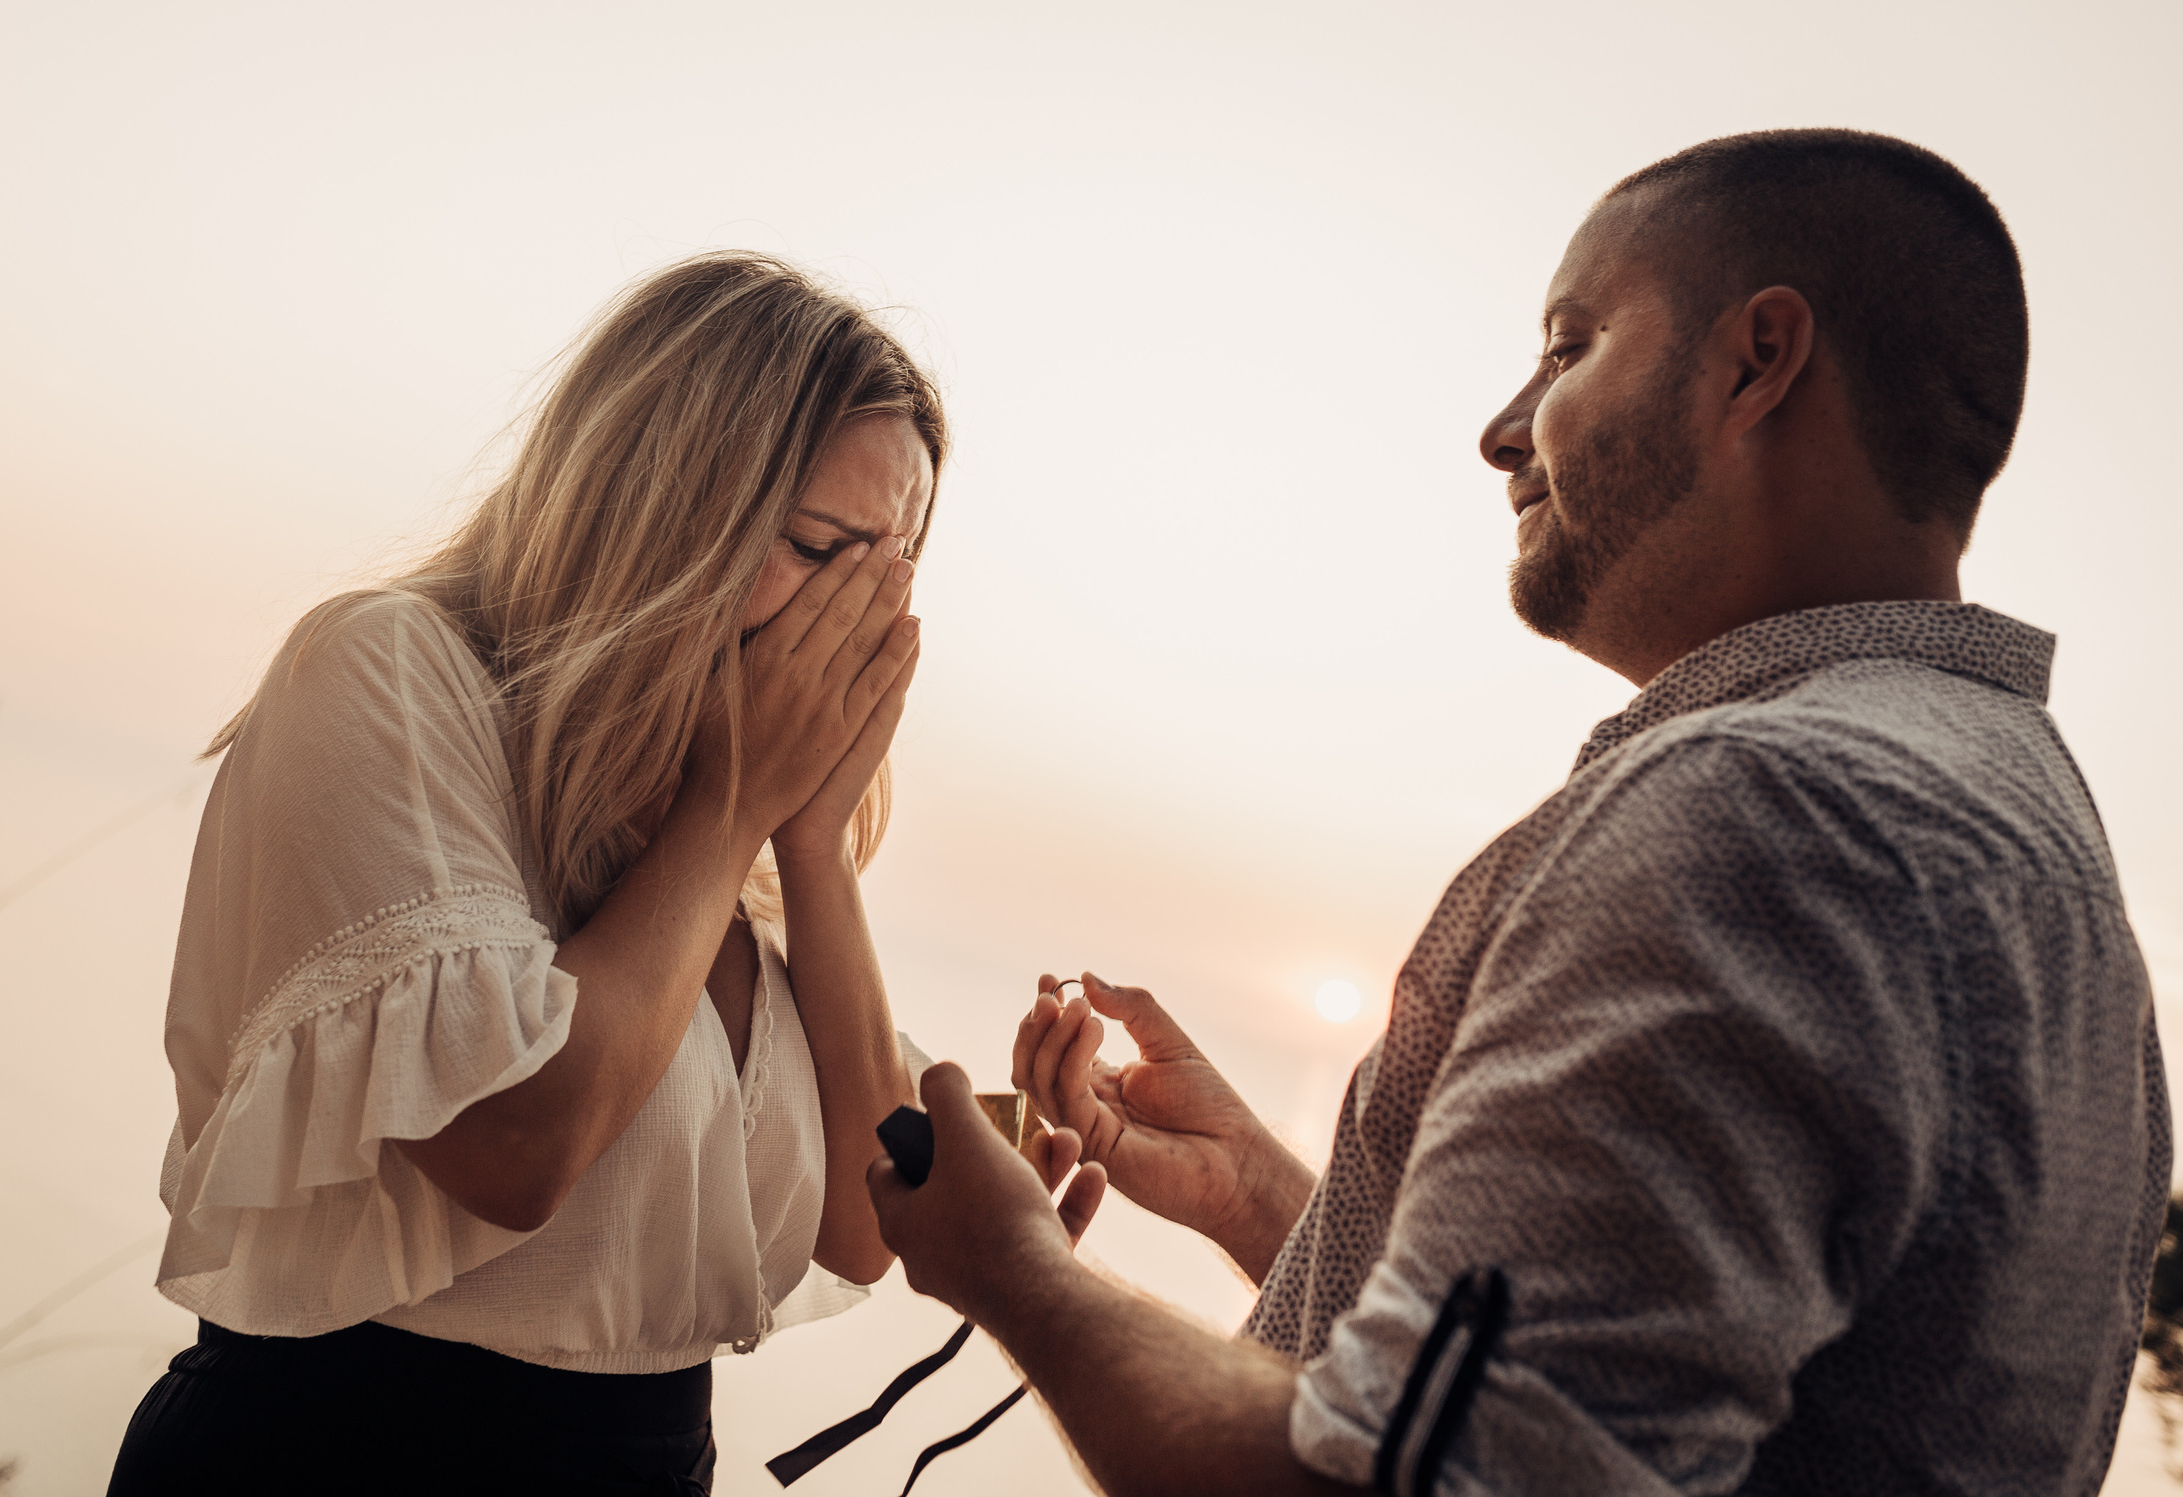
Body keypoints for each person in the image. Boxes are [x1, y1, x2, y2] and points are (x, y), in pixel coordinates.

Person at [867, 130, 2167, 1496]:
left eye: (1568, 344)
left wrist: (1015, 1268)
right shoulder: (2041, 849)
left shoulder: (1763, 816)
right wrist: (1264, 1198)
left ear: (1756, 361)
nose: (1502, 428)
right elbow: (1593, 1412)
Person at [108, 253, 944, 1494]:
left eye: (893, 574)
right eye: (825, 550)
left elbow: (871, 1225)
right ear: (668, 503)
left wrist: (811, 845)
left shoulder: (713, 817)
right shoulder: (388, 672)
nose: (858, 622)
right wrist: (730, 814)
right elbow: (515, 1143)